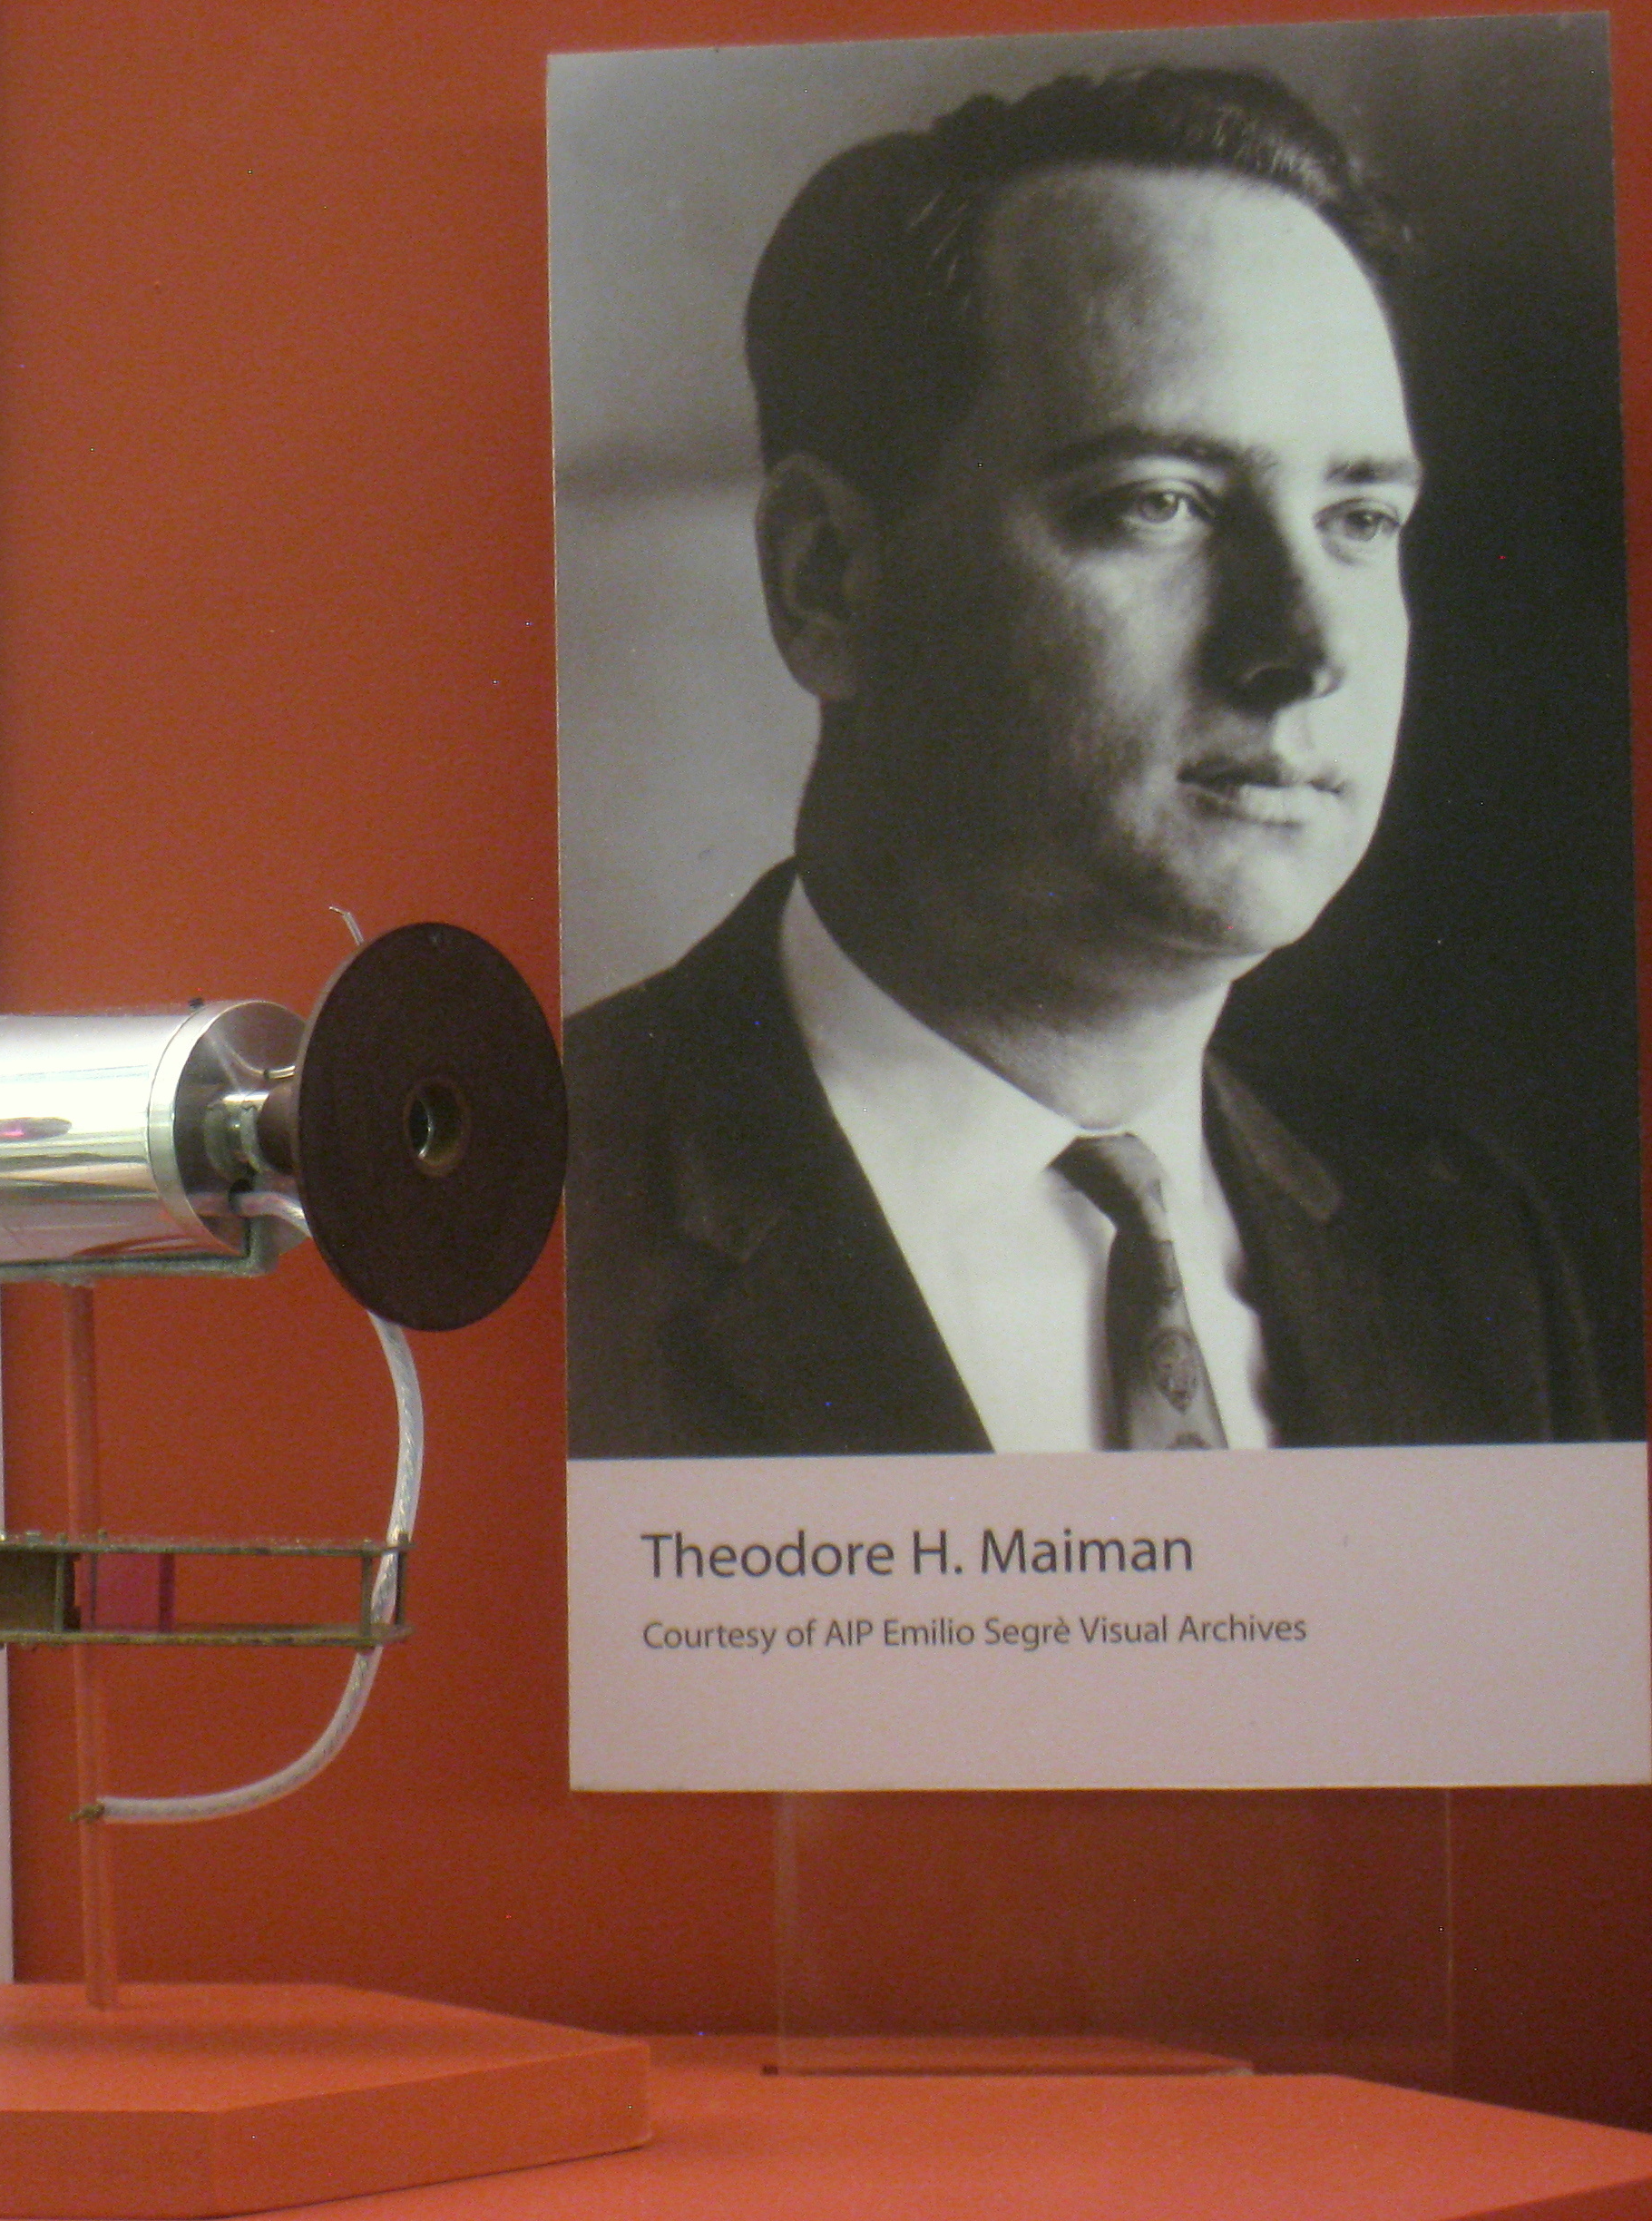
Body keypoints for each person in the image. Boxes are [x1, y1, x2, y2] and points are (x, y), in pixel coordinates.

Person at [564, 65, 1604, 1458]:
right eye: (1160, 503)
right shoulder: (549, 1202)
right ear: (827, 581)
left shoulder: (1469, 1263)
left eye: (1359, 520)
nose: (1306, 648)